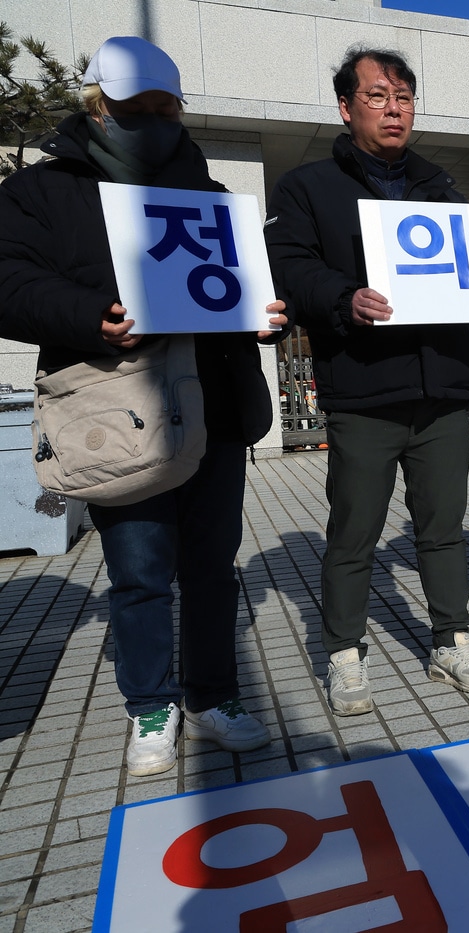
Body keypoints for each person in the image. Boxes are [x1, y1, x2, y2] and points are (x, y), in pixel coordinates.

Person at [0, 36, 282, 775]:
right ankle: (150, 701)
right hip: (117, 411)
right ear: (96, 106)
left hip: (215, 407)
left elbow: (249, 285)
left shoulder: (208, 195)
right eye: (135, 108)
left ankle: (213, 693)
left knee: (213, 565)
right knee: (139, 569)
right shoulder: (42, 192)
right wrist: (88, 314)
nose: (154, 123)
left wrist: (266, 313)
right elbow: (7, 281)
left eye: (166, 109)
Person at [265, 47, 469, 715]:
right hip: (364, 387)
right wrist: (345, 298)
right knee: (354, 529)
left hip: (442, 388)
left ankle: (452, 638)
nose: (393, 109)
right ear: (346, 108)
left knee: (443, 525)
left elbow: (468, 268)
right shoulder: (308, 187)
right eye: (377, 96)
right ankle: (344, 649)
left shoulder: (441, 187)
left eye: (403, 97)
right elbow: (291, 267)